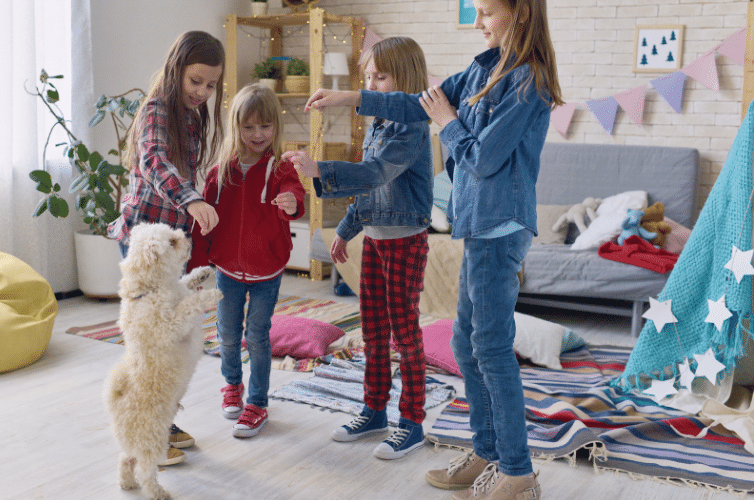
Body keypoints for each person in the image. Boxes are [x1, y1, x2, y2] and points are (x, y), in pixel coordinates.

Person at [304, 0, 563, 497]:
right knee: (468, 344)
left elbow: (484, 159)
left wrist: (447, 121)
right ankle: (488, 452)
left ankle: (517, 470)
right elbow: (416, 103)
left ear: (522, 13)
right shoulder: (483, 69)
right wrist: (348, 98)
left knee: (488, 346)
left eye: (487, 11)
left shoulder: (528, 82)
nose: (477, 21)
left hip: (501, 226)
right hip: (477, 226)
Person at [283, 36, 433, 461]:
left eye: (379, 77)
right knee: (372, 332)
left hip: (405, 242)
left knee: (405, 335)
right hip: (376, 242)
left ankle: (412, 422)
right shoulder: (379, 126)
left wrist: (319, 171)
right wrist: (347, 229)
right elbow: (369, 196)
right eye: (366, 77)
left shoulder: (412, 127)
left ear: (405, 78)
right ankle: (374, 410)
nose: (370, 85)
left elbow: (373, 174)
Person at [107, 30, 225, 466]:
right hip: (145, 242)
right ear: (176, 70)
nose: (202, 92)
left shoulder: (194, 117)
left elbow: (190, 171)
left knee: (171, 345)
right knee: (148, 346)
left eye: (211, 85)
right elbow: (156, 161)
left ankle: (163, 421)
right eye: (195, 81)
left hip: (172, 244)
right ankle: (144, 435)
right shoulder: (157, 109)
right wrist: (191, 199)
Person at [197, 83, 305, 438]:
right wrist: (199, 260)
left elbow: (294, 191)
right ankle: (232, 386)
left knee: (257, 337)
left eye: (266, 126)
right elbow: (204, 220)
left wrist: (290, 202)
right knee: (227, 334)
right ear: (236, 127)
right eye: (249, 127)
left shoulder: (279, 169)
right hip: (227, 269)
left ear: (275, 126)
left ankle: (258, 403)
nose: (258, 134)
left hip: (267, 270)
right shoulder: (220, 172)